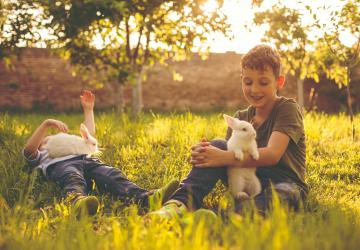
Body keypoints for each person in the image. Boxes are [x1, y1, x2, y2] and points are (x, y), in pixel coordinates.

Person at [149, 44, 308, 219]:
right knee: (218, 144)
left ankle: (220, 217)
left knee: (283, 194)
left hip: (284, 183)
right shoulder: (240, 117)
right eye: (248, 82)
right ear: (241, 79)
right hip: (246, 179)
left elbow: (272, 154)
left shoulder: (287, 109)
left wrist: (221, 157)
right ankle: (178, 204)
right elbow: (229, 159)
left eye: (263, 82)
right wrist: (205, 153)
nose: (254, 89)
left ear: (279, 82)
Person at [23, 90, 179, 216]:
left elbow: (90, 136)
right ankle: (77, 201)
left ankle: (147, 198)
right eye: (45, 139)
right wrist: (46, 124)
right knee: (72, 177)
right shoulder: (44, 155)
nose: (48, 138)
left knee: (112, 175)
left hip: (88, 161)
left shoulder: (73, 144)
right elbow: (29, 150)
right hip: (62, 166)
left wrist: (89, 110)